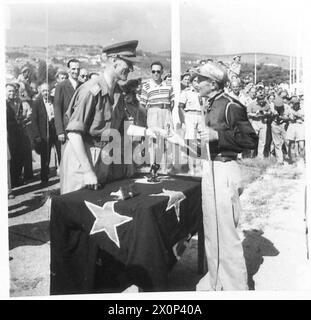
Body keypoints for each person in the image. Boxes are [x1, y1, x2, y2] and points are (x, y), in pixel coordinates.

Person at [175, 62, 258, 290]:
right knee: (212, 229)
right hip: (210, 169)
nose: (196, 82)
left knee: (226, 233)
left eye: (200, 79)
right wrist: (181, 143)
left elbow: (251, 141)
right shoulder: (209, 104)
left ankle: (235, 288)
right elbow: (207, 144)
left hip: (225, 170)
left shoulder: (232, 106)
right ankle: (215, 282)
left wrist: (217, 135)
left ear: (212, 83)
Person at [60, 41, 161, 194]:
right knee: (77, 208)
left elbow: (121, 128)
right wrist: (88, 171)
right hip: (82, 158)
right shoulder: (91, 90)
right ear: (114, 61)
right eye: (128, 63)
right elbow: (74, 133)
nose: (131, 69)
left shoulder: (118, 93)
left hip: (103, 156)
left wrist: (149, 132)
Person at [140, 61, 174, 172]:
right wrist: (148, 117)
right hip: (153, 112)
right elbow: (142, 104)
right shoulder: (146, 86)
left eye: (158, 71)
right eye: (153, 71)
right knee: (153, 141)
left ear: (162, 72)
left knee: (165, 141)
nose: (156, 74)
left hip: (166, 112)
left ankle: (163, 169)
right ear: (151, 72)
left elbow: (172, 102)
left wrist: (168, 114)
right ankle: (153, 168)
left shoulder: (168, 85)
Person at [32, 83, 61, 185]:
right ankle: (44, 178)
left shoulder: (54, 100)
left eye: (47, 90)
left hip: (56, 131)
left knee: (60, 153)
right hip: (44, 134)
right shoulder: (36, 103)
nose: (46, 93)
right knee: (45, 157)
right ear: (40, 91)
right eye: (44, 91)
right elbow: (34, 121)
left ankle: (63, 176)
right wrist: (37, 136)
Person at [53, 58, 80, 152]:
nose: (76, 71)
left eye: (78, 69)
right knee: (66, 160)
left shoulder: (82, 86)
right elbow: (57, 109)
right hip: (66, 130)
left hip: (80, 130)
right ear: (68, 70)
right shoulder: (61, 86)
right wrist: (60, 131)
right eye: (73, 69)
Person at [178, 75, 202, 175]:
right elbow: (180, 107)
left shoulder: (203, 93)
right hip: (190, 116)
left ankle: (199, 167)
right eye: (195, 81)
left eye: (199, 81)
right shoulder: (186, 92)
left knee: (200, 143)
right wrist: (184, 120)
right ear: (191, 82)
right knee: (191, 143)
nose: (197, 83)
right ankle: (191, 169)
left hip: (201, 117)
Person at [286, 96, 305, 165]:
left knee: (301, 145)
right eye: (294, 103)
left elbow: (304, 118)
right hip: (292, 126)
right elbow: (286, 117)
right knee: (292, 144)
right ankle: (294, 161)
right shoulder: (289, 109)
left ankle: (301, 160)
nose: (295, 105)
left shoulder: (302, 109)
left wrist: (299, 115)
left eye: (297, 103)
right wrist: (290, 117)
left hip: (300, 126)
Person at [270, 97, 289, 164]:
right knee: (277, 143)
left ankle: (290, 158)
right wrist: (273, 114)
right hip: (275, 124)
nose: (278, 108)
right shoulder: (271, 105)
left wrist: (282, 117)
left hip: (283, 124)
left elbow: (288, 118)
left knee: (287, 141)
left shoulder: (286, 107)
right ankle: (280, 160)